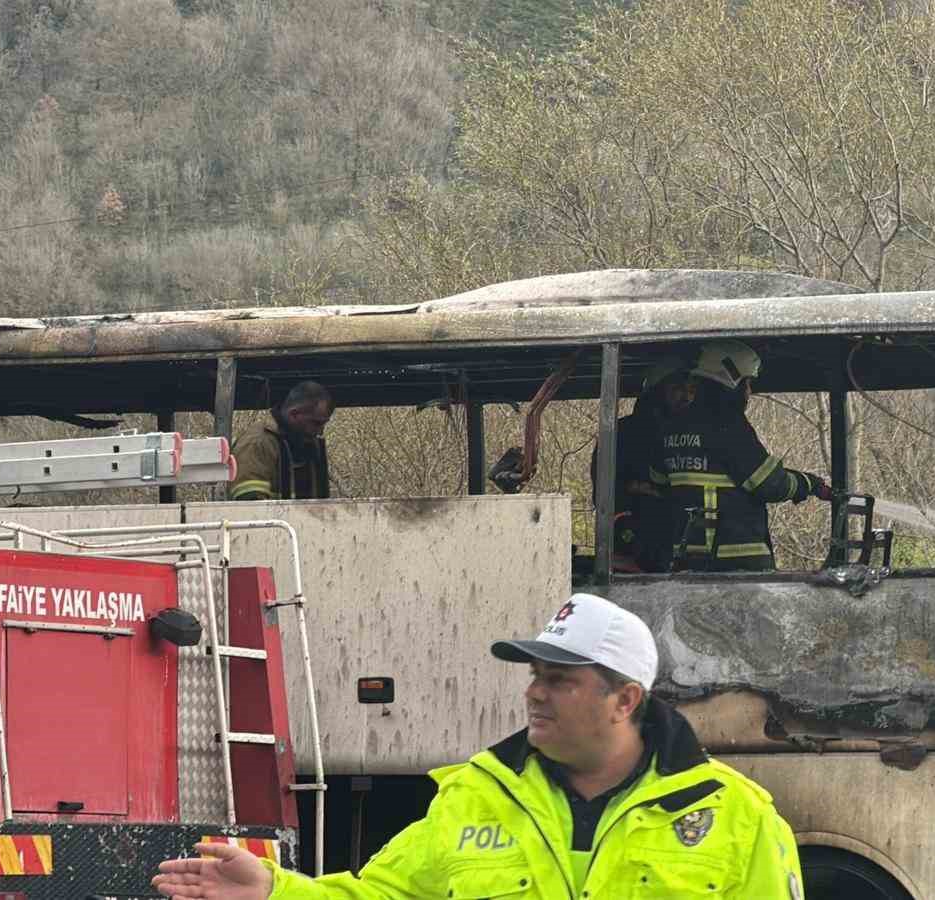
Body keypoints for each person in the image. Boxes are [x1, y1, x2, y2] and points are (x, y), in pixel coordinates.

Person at [152, 592, 805, 900]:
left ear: (625, 700)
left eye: (560, 680)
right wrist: (274, 891)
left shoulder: (736, 818)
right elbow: (383, 898)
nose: (535, 693)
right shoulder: (474, 799)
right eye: (535, 676)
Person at [651, 340, 832, 572]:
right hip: (736, 564)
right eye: (747, 383)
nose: (749, 391)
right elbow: (770, 484)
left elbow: (659, 482)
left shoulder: (672, 426)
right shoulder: (728, 425)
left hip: (687, 559)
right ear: (731, 380)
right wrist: (808, 483)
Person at [590, 356, 687, 573]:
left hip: (673, 552)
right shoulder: (621, 433)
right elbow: (604, 493)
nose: (686, 397)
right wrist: (638, 492)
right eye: (677, 389)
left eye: (689, 390)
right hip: (629, 552)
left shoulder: (686, 433)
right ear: (656, 392)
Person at [230, 381, 333, 500]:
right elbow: (249, 503)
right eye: (316, 423)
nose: (320, 431)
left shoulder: (305, 444)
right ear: (294, 414)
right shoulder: (257, 443)